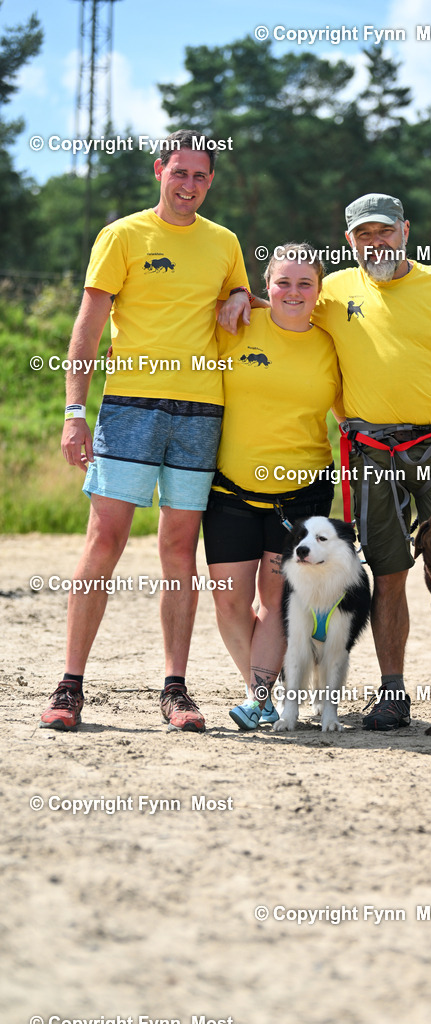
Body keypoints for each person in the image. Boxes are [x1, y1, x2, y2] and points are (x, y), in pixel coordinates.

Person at [222, 192, 431, 732]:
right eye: (364, 235)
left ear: (406, 230)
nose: (377, 243)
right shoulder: (334, 291)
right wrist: (238, 295)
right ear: (350, 242)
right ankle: (394, 695)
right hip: (371, 450)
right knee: (389, 572)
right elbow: (286, 300)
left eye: (385, 232)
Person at [40, 129, 249, 734]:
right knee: (104, 540)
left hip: (201, 412)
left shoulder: (226, 242)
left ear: (212, 181)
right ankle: (71, 684)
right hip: (130, 406)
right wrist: (74, 411)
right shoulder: (123, 235)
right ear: (159, 170)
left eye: (201, 177)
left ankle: (175, 689)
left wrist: (239, 295)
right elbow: (88, 325)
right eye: (179, 173)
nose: (189, 186)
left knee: (179, 550)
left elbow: (240, 296)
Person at [203, 243, 341, 730]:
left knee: (278, 599)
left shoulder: (332, 345)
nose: (293, 292)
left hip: (301, 496)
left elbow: (349, 419)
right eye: (283, 282)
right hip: (231, 491)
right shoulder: (236, 327)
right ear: (266, 286)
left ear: (319, 290)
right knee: (229, 601)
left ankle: (259, 698)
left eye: (305, 283)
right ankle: (265, 689)